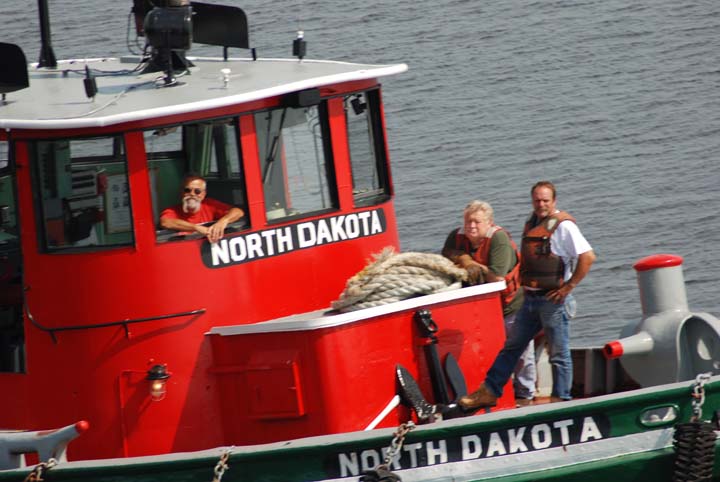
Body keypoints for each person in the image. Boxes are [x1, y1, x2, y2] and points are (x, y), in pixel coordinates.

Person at [459, 181, 596, 411]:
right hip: (530, 299)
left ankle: (561, 400)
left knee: (558, 353)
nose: (541, 204)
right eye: (537, 200)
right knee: (512, 347)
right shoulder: (532, 222)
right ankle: (490, 391)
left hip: (553, 301)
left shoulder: (564, 226)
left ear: (554, 201)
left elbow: (588, 257)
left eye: (545, 200)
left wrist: (568, 287)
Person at [442, 200, 536, 406]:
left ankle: (525, 394)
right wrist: (465, 260)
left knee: (520, 351)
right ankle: (488, 390)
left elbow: (497, 277)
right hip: (480, 310)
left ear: (489, 223)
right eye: (468, 221)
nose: (471, 226)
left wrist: (472, 265)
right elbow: (445, 254)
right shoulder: (456, 237)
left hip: (512, 306)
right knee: (489, 350)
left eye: (477, 222)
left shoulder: (498, 239)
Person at [160, 174, 244, 243]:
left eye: (197, 191)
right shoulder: (173, 210)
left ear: (203, 194)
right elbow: (165, 222)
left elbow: (238, 212)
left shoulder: (209, 205)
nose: (192, 194)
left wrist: (223, 221)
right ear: (182, 192)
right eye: (187, 190)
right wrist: (197, 228)